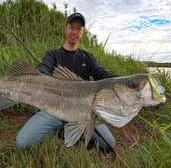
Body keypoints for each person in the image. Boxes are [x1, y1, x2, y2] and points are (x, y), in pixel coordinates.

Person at [16, 12, 119, 153]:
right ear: (66, 28)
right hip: (53, 109)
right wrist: (29, 89)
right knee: (23, 142)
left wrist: (122, 82)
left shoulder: (88, 58)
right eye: (71, 27)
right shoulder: (53, 55)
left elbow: (102, 74)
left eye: (79, 29)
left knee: (109, 144)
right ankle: (62, 129)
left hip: (83, 112)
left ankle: (70, 130)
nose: (74, 32)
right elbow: (43, 69)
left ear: (82, 32)